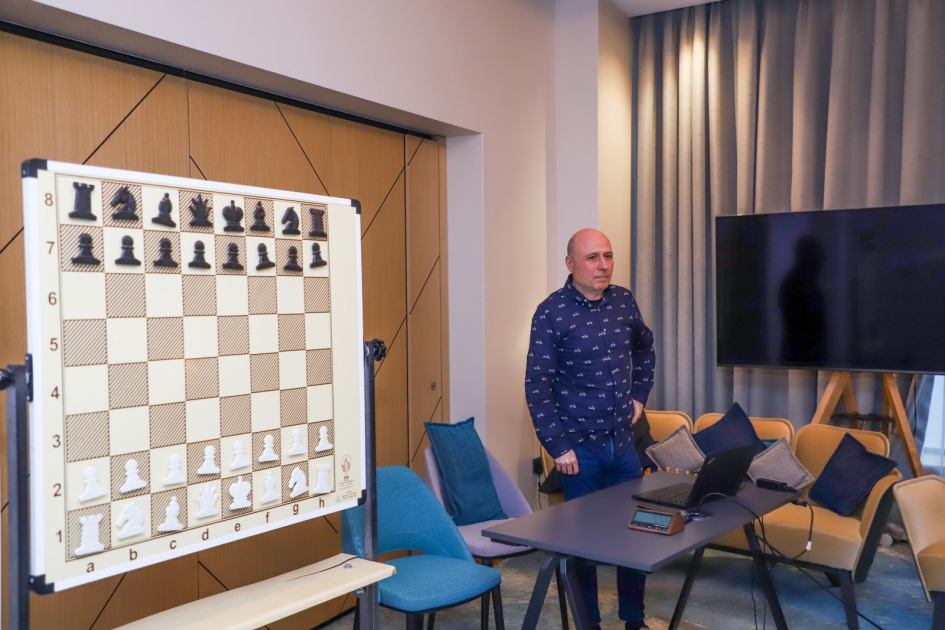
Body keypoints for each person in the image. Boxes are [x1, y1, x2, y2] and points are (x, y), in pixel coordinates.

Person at [525, 228, 655, 630]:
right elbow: (537, 385)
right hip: (579, 452)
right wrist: (557, 446)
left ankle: (634, 620)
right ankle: (590, 625)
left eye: (608, 256)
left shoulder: (623, 301)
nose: (603, 265)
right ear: (570, 264)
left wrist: (639, 396)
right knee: (583, 545)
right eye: (592, 258)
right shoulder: (551, 312)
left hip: (623, 445)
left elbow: (645, 347)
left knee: (635, 535)